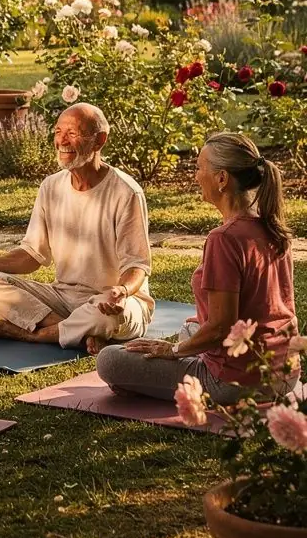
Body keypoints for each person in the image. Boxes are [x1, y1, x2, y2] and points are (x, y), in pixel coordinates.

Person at [97, 132, 298, 405]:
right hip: (284, 373)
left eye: (199, 168)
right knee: (191, 326)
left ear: (222, 178)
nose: (195, 176)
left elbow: (220, 328)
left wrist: (173, 350)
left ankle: (157, 376)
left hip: (233, 383)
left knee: (109, 361)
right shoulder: (273, 228)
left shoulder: (225, 238)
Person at [0, 103, 154, 352]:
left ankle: (35, 335)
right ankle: (73, 332)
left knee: (105, 316)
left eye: (72, 133)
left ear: (99, 140)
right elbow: (32, 256)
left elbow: (137, 265)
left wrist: (121, 291)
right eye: (58, 132)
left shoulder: (126, 192)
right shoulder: (51, 187)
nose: (62, 141)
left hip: (112, 302)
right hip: (62, 299)